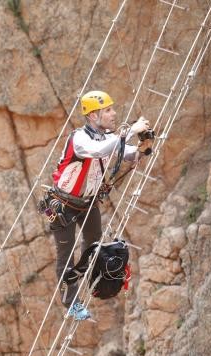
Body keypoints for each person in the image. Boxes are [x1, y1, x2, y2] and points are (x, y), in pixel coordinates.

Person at [47, 90, 151, 320]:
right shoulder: (80, 139)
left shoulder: (107, 138)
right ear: (93, 116)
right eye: (108, 110)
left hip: (88, 203)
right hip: (64, 205)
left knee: (93, 245)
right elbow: (98, 151)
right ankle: (71, 303)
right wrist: (130, 131)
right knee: (65, 255)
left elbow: (128, 153)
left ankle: (86, 279)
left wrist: (144, 144)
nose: (114, 114)